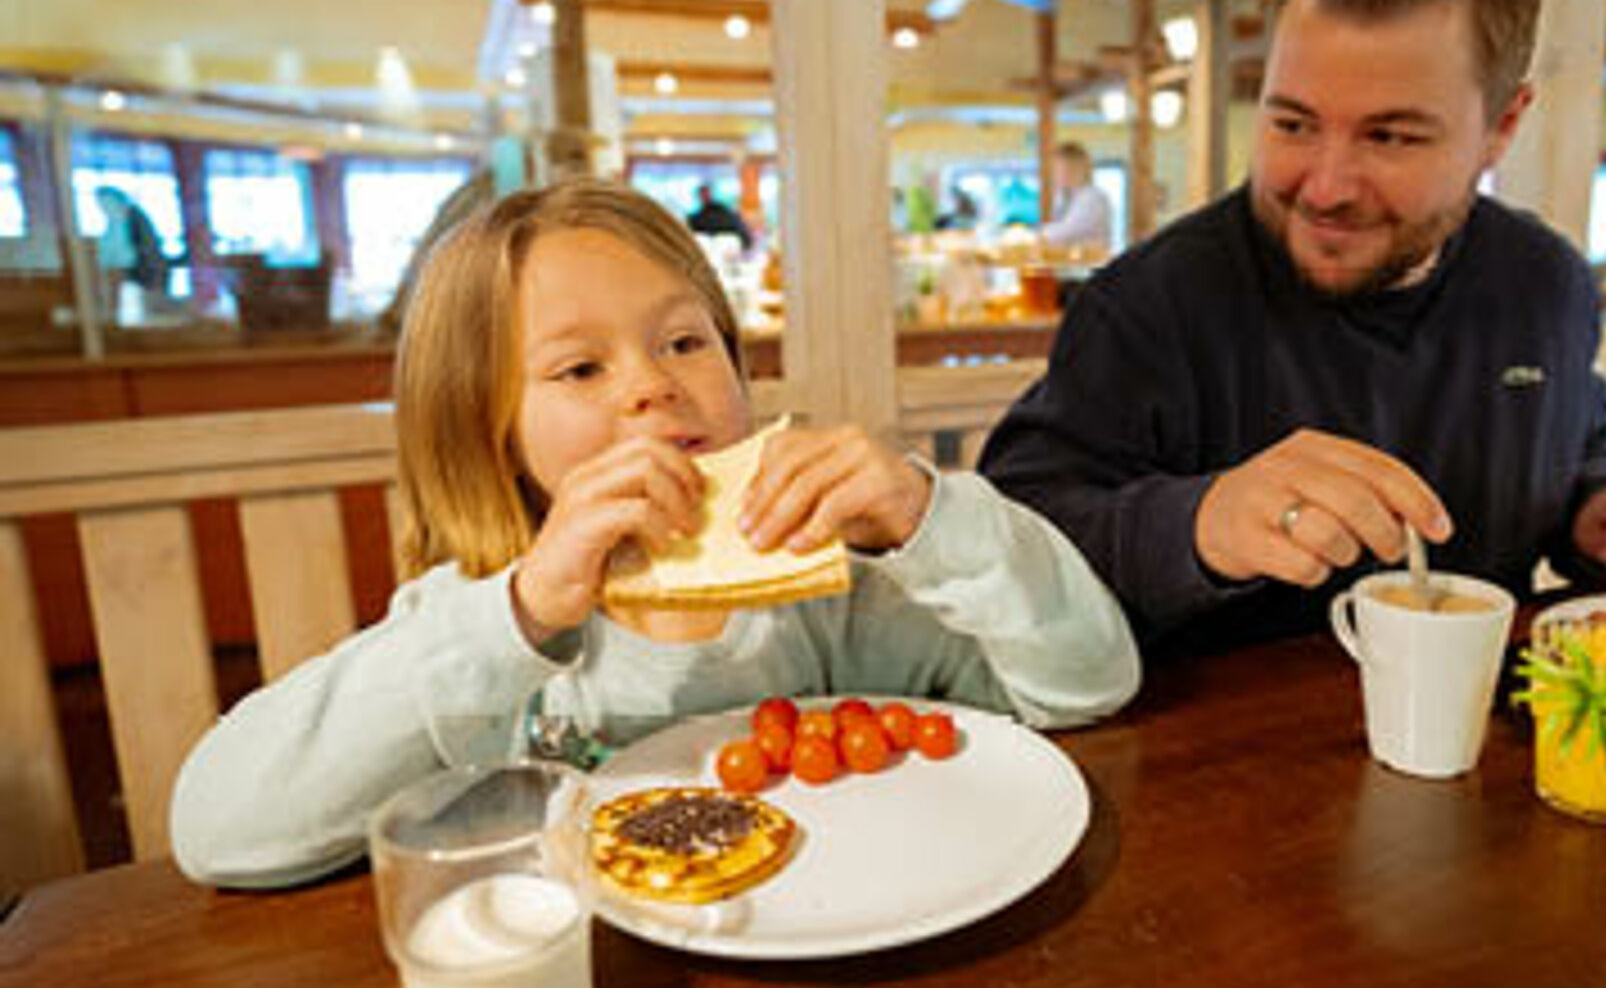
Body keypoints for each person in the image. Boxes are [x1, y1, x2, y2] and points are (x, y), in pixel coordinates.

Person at [170, 179, 1138, 888]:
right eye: (579, 369)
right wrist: (517, 613)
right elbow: (218, 828)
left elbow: (1088, 682)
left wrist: (933, 517)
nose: (652, 384)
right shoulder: (478, 631)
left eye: (684, 341)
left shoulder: (850, 591)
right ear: (492, 433)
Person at [980, 0, 1606, 656]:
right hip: (1208, 763)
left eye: (1390, 137)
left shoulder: (1546, 285)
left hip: (1496, 748)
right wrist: (1197, 523)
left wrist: (1600, 514)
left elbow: (1578, 443)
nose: (1324, 188)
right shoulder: (1149, 303)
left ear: (1502, 124)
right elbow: (1006, 547)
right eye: (1293, 122)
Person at [94, 186, 176, 304]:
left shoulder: (134, 217)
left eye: (107, 202)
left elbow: (147, 250)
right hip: (125, 274)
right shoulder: (114, 223)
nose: (104, 207)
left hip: (143, 274)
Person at [1039, 142, 1113, 251]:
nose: (1056, 175)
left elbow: (1068, 231)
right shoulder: (1065, 197)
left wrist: (1033, 235)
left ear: (1076, 169)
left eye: (1060, 169)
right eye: (1055, 169)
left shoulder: (1092, 198)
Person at [687, 182, 754, 249]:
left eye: (707, 193)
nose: (705, 196)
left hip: (728, 243)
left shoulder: (725, 211)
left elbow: (738, 226)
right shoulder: (695, 218)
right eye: (703, 194)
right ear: (699, 196)